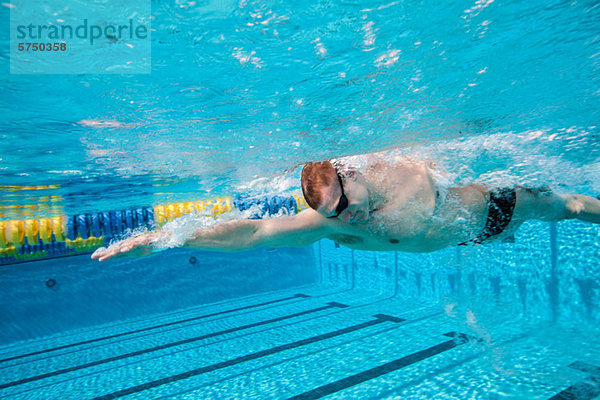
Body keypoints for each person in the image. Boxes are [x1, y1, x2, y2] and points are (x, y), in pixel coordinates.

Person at [91, 154, 600, 261]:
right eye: (335, 215)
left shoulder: (403, 171)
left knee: (573, 207)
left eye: (346, 203)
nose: (347, 219)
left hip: (497, 210)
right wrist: (166, 239)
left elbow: (442, 162)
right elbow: (252, 232)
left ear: (352, 176)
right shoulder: (332, 219)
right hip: (467, 237)